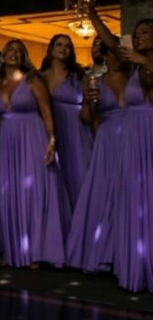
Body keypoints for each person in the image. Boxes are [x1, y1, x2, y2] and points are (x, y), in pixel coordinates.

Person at [0, 39, 69, 268]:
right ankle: (12, 250)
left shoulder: (33, 80)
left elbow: (47, 112)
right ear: (3, 55)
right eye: (10, 49)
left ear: (24, 56)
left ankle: (36, 252)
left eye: (19, 51)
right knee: (7, 193)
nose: (14, 53)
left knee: (32, 193)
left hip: (32, 138)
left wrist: (52, 140)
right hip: (7, 144)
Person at [87, 8, 153, 292]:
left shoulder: (142, 63)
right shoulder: (133, 67)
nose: (138, 37)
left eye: (144, 32)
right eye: (135, 34)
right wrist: (91, 14)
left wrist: (143, 59)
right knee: (136, 198)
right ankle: (137, 263)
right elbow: (111, 43)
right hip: (134, 136)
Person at [66, 49, 129, 273]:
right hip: (107, 139)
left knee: (128, 194)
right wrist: (89, 104)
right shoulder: (96, 82)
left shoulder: (136, 81)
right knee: (104, 193)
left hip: (133, 140)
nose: (118, 59)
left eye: (122, 55)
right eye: (113, 54)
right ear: (106, 57)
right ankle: (103, 252)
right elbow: (85, 119)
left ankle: (126, 252)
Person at [39, 34, 93, 211]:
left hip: (75, 133)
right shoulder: (39, 77)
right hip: (47, 133)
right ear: (51, 49)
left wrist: (90, 102)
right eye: (59, 44)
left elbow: (87, 115)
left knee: (78, 178)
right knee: (53, 182)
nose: (63, 48)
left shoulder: (79, 77)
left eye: (68, 46)